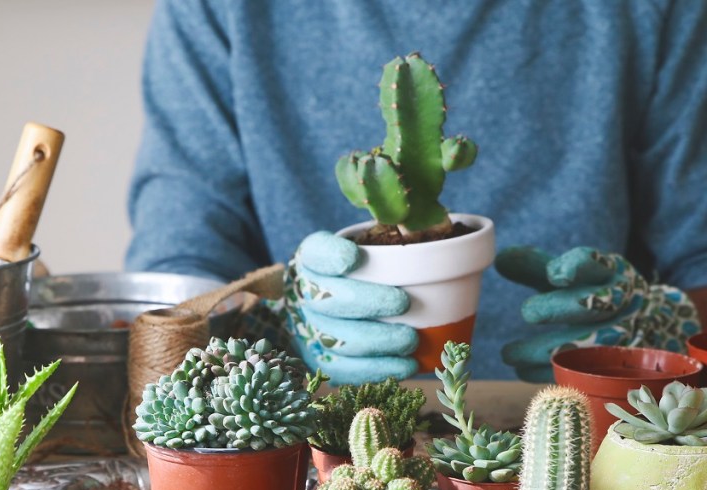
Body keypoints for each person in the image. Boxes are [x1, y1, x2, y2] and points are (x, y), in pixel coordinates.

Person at [125, 0, 707, 381]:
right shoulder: (217, 10)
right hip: (316, 458)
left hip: (593, 450)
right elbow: (178, 277)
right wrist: (275, 327)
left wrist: (663, 330)